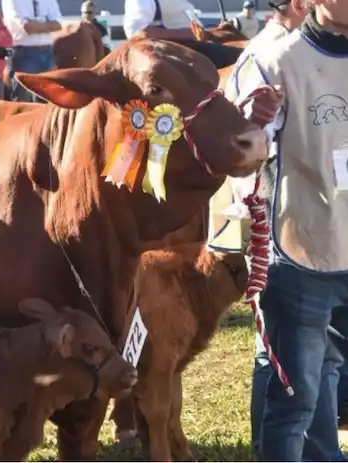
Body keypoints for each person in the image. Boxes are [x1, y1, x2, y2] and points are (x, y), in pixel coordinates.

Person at [220, 0, 348, 460]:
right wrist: (255, 120)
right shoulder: (273, 61)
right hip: (303, 257)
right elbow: (242, 153)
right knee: (294, 403)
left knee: (326, 384)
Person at [2, 0, 62, 102]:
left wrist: (35, 23)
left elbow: (59, 25)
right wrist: (46, 22)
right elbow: (27, 27)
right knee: (22, 100)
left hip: (46, 52)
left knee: (47, 100)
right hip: (24, 53)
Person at [123, 0, 211, 40]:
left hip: (197, 45)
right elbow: (136, 31)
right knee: (223, 56)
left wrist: (214, 32)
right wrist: (185, 34)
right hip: (172, 52)